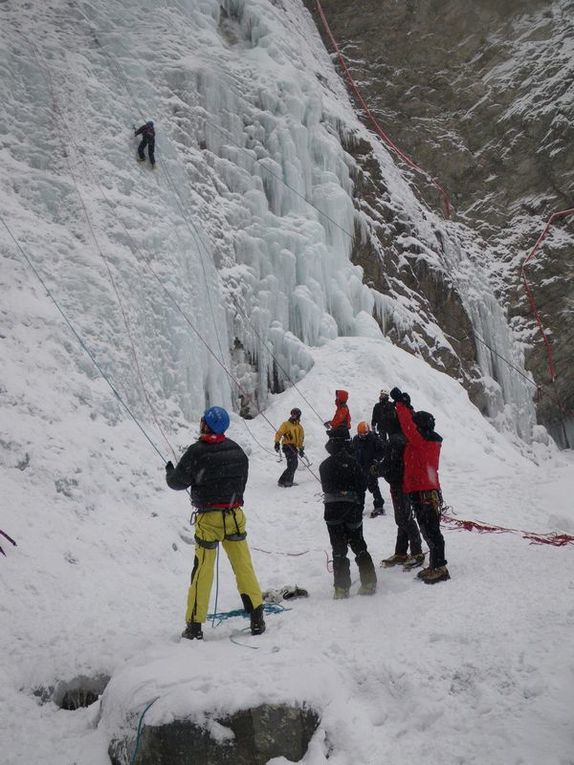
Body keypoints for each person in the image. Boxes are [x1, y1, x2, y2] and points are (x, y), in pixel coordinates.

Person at [165, 406, 266, 639]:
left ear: (206, 425)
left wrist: (170, 471)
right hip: (234, 516)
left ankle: (194, 626)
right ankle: (257, 618)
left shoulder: (197, 452)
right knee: (244, 567)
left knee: (203, 570)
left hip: (209, 519)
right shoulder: (237, 451)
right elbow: (242, 483)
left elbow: (177, 482)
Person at [390, 388, 449, 584]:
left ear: (420, 428)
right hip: (424, 489)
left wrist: (399, 403)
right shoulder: (426, 439)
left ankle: (440, 567)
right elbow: (413, 422)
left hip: (423, 490)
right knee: (429, 530)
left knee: (431, 530)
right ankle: (436, 564)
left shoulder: (419, 441)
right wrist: (408, 406)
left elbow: (408, 424)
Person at [319, 426, 377, 599]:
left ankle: (341, 588)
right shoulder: (355, 463)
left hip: (332, 511)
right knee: (359, 545)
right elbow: (362, 486)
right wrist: (357, 505)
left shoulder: (325, 466)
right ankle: (369, 582)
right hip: (352, 510)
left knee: (338, 549)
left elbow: (326, 487)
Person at [351, 422, 386, 517]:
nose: (362, 436)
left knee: (373, 486)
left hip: (370, 467)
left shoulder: (373, 439)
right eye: (360, 434)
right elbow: (352, 451)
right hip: (360, 468)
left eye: (364, 433)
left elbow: (382, 449)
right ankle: (358, 507)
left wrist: (376, 459)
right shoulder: (355, 440)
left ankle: (379, 504)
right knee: (359, 489)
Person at [274, 408, 305, 487]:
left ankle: (286, 480)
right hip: (287, 445)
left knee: (294, 464)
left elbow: (301, 438)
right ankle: (285, 481)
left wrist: (301, 448)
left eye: (295, 414)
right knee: (292, 464)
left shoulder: (300, 427)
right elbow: (279, 433)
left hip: (294, 447)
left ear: (298, 416)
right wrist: (277, 442)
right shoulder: (286, 424)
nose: (293, 416)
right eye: (292, 414)